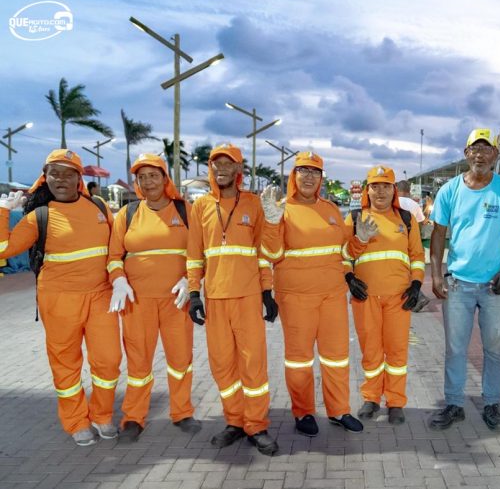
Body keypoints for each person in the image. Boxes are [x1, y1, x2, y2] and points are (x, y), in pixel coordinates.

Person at [0, 149, 120, 446]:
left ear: (80, 178)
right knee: (66, 364)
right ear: (46, 177)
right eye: (55, 172)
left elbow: (119, 246)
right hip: (59, 300)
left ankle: (102, 415)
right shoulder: (38, 216)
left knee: (109, 360)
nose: (61, 179)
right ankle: (76, 421)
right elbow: (3, 248)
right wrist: (3, 211)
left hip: (101, 297)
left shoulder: (100, 207)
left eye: (69, 173)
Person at [260, 151, 369, 436]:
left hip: (332, 295)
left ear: (322, 178)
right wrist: (272, 223)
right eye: (303, 171)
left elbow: (344, 252)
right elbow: (272, 253)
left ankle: (339, 410)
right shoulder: (280, 209)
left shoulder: (332, 210)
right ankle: (303, 411)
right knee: (299, 359)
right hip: (295, 298)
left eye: (315, 172)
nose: (309, 176)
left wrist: (361, 241)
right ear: (293, 176)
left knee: (337, 356)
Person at [428, 129, 500, 431]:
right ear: (465, 152)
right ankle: (455, 404)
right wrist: (435, 275)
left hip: (494, 286)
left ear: (494, 155)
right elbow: (438, 235)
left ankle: (492, 404)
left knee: (495, 349)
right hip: (458, 284)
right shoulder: (449, 191)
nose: (480, 154)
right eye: (475, 148)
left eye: (486, 149)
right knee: (455, 348)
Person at [186, 143, 279, 456]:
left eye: (229, 165)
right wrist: (194, 294)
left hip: (248, 297)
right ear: (211, 169)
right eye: (216, 165)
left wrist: (267, 292)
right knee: (223, 365)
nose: (221, 170)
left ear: (239, 170)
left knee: (254, 365)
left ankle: (257, 424)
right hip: (215, 299)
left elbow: (263, 253)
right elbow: (194, 255)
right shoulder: (200, 207)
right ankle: (235, 422)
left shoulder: (253, 204)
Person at [107, 154, 200, 442]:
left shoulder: (186, 211)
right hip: (137, 301)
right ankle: (134, 417)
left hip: (177, 300)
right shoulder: (128, 214)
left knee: (180, 358)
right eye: (142, 177)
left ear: (165, 178)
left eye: (153, 175)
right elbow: (113, 257)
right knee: (138, 362)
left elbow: (202, 251)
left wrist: (192, 279)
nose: (148, 182)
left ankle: (182, 412)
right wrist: (119, 280)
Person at [345, 166, 425, 424]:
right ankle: (371, 399)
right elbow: (344, 255)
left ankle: (395, 401)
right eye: (375, 186)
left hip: (398, 297)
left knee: (397, 351)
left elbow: (417, 256)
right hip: (365, 297)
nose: (380, 191)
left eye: (386, 186)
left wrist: (416, 284)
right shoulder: (355, 217)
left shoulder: (405, 219)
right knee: (371, 350)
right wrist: (349, 278)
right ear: (367, 190)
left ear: (394, 190)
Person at [396, 179, 430, 312]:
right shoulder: (414, 205)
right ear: (408, 191)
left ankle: (418, 297)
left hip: (398, 241)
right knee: (412, 269)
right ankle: (416, 296)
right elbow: (422, 223)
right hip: (413, 242)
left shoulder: (393, 203)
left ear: (396, 190)